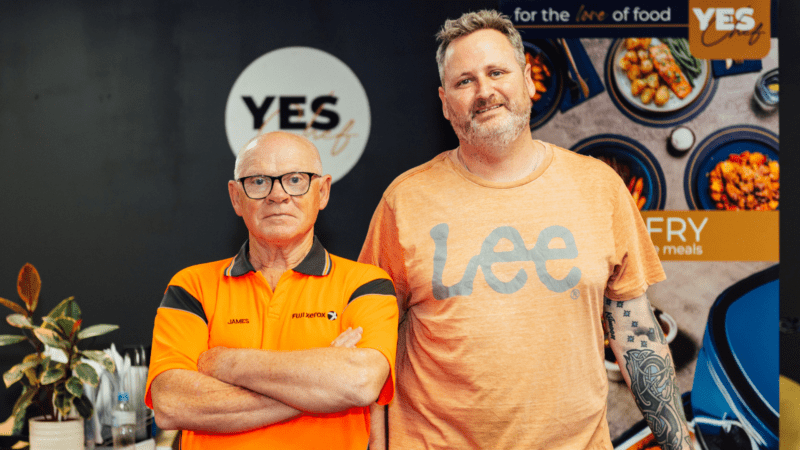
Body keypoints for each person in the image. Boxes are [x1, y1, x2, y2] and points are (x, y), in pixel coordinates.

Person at [359, 10, 692, 450]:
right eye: (464, 81)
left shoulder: (600, 187)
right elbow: (373, 347)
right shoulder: (404, 201)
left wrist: (681, 443)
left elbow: (635, 335)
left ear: (529, 80)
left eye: (497, 72)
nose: (484, 91)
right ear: (444, 102)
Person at [145, 131, 398, 449]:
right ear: (236, 197)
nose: (278, 195)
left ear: (322, 192)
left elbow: (360, 383)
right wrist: (322, 389)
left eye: (295, 180)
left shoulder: (365, 284)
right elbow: (171, 404)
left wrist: (224, 362)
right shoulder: (191, 286)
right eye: (259, 181)